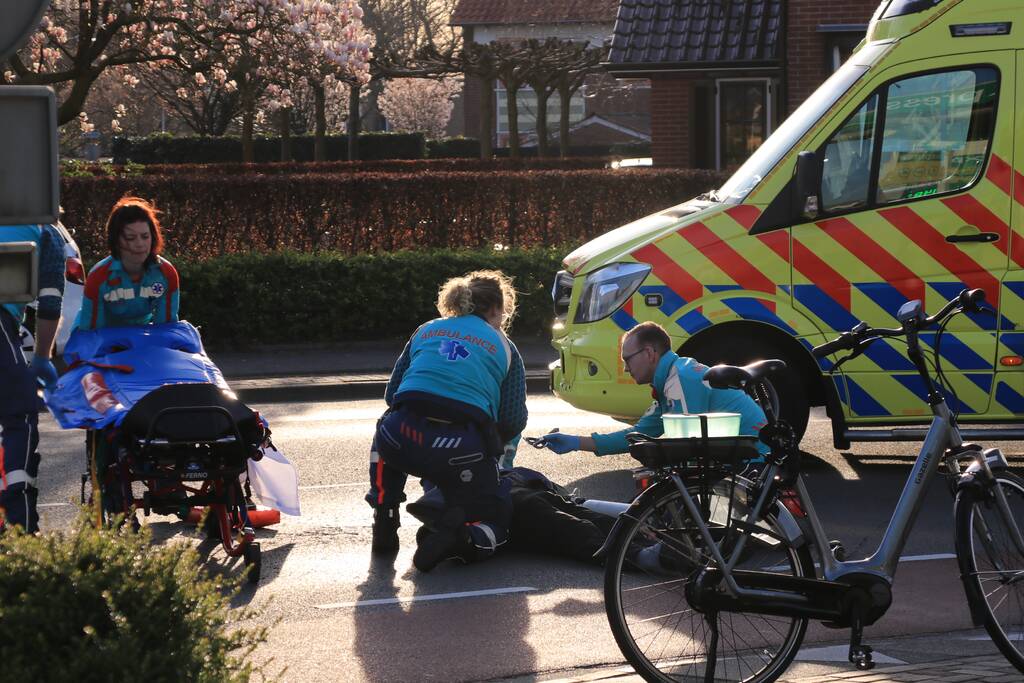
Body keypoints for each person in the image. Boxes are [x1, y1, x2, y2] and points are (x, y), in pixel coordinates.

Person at [366, 270, 528, 572]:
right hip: (460, 450)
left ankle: (384, 511)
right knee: (499, 512)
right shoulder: (506, 347)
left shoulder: (426, 329)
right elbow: (513, 419)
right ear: (495, 309)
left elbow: (393, 394)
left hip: (400, 439)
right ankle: (461, 534)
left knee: (386, 425)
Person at [540, 321, 769, 459]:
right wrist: (576, 442)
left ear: (649, 354)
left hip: (754, 460)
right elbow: (637, 436)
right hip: (742, 457)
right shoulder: (670, 379)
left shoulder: (681, 377)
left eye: (627, 359)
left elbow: (689, 446)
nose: (625, 368)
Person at [0, 223, 65, 533]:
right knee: (19, 416)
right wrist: (41, 356)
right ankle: (19, 525)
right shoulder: (44, 229)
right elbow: (50, 301)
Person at [77, 196, 179, 331]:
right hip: (103, 335)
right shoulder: (98, 276)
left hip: (142, 334)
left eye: (145, 236)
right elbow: (92, 333)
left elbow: (165, 328)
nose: (140, 244)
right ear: (116, 240)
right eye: (130, 238)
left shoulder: (167, 274)